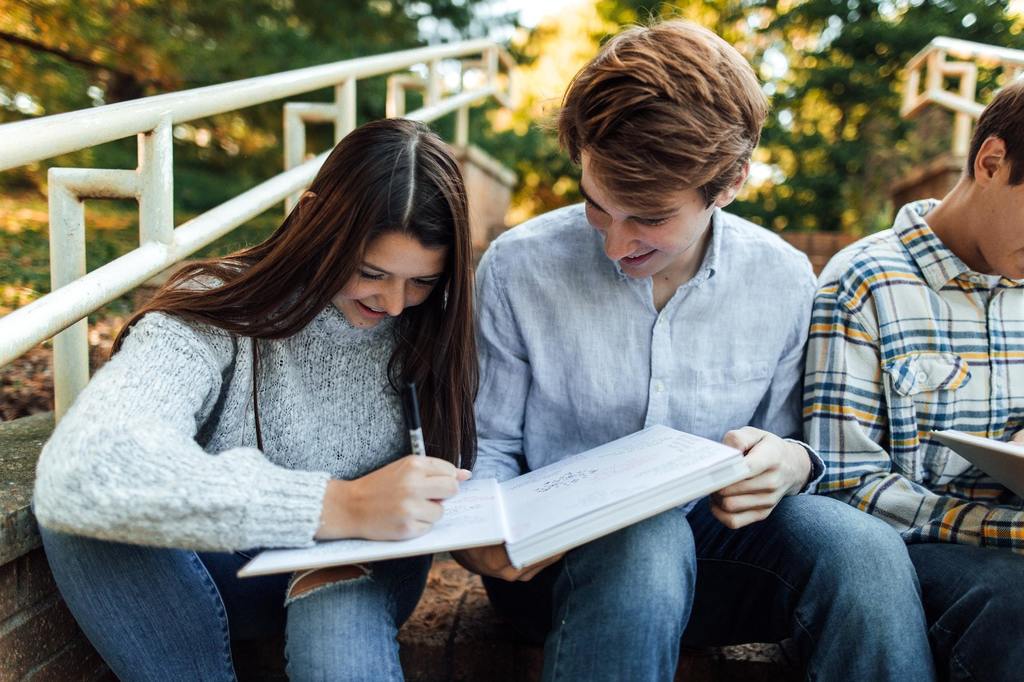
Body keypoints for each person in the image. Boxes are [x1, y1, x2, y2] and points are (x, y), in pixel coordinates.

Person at [452, 19, 935, 682]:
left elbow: (795, 445)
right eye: (597, 206)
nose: (616, 245)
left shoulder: (784, 277)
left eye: (648, 218)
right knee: (644, 539)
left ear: (730, 182)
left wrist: (787, 462)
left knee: (864, 550)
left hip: (721, 559)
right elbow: (487, 449)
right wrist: (481, 527)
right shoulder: (517, 268)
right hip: (554, 568)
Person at [33, 118, 478, 681]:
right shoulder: (214, 310)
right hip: (215, 568)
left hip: (357, 565)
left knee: (335, 630)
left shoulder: (434, 328)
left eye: (421, 282)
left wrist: (362, 519)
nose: (393, 303)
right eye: (371, 272)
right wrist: (335, 504)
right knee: (82, 514)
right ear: (316, 217)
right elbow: (88, 463)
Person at [804, 79, 1024, 681]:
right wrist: (1011, 532)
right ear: (991, 162)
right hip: (916, 556)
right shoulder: (866, 281)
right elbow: (843, 489)